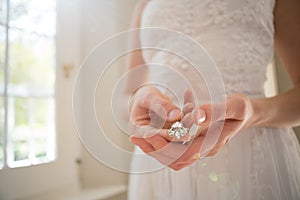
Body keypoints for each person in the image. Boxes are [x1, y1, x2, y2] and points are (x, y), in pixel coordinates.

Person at [124, 0, 300, 199]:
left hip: (251, 151)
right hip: (159, 157)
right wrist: (139, 99)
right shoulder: (144, 3)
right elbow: (127, 95)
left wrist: (252, 112)